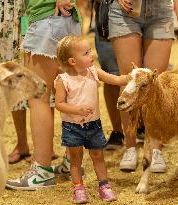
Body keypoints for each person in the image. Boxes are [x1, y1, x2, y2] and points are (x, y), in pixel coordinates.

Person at [108, 0, 178, 172]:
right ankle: (130, 147)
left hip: (161, 12)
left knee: (155, 83)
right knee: (130, 79)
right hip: (124, 12)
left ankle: (156, 149)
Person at [5, 0, 82, 190]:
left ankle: (42, 172)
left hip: (47, 19)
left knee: (39, 97)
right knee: (68, 93)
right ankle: (72, 163)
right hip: (65, 19)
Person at [54, 35, 127, 203]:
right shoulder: (63, 80)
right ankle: (78, 188)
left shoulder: (94, 72)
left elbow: (115, 79)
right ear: (72, 61)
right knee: (75, 159)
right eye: (86, 53)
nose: (92, 55)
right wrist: (76, 109)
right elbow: (59, 104)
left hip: (94, 124)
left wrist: (132, 76)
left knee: (98, 155)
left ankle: (104, 186)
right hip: (72, 127)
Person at [0, 0, 31, 164]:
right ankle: (22, 144)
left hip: (33, 11)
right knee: (11, 81)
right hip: (5, 17)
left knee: (39, 76)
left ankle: (45, 148)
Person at [94, 0, 125, 150]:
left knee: (142, 72)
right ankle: (118, 131)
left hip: (144, 11)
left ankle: (142, 126)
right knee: (111, 74)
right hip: (107, 11)